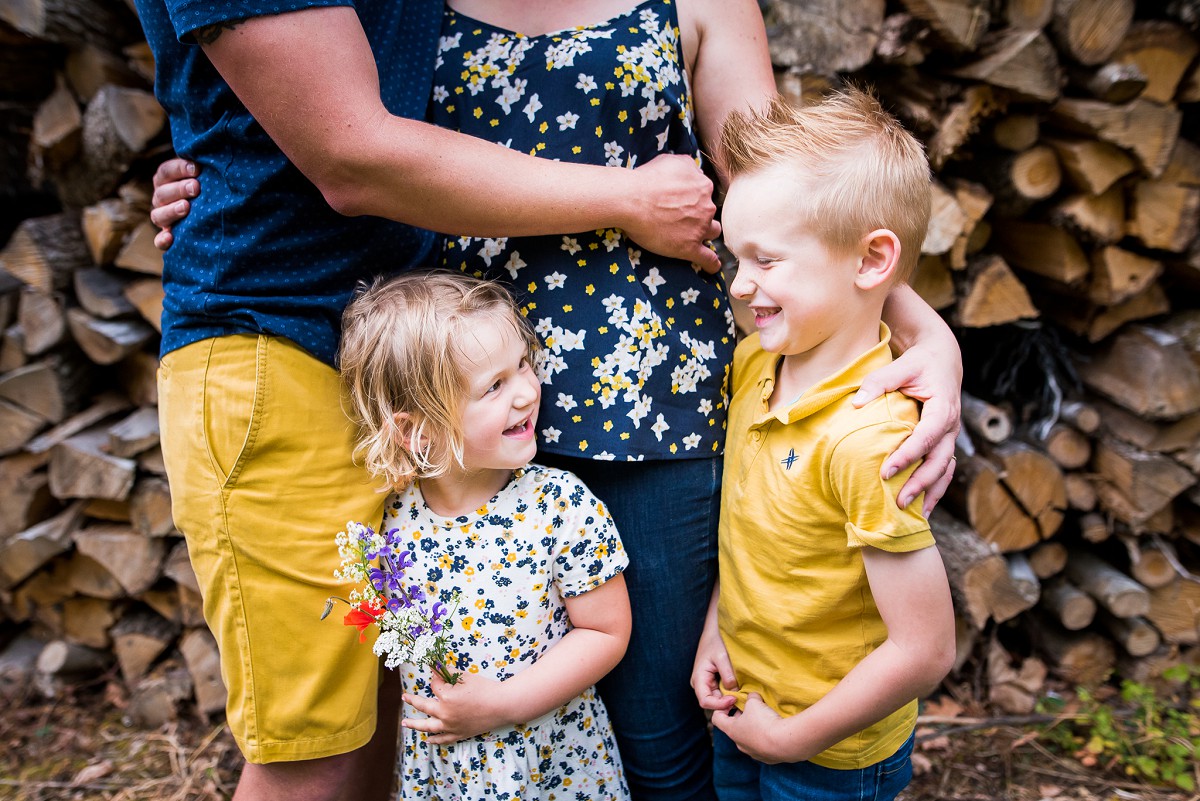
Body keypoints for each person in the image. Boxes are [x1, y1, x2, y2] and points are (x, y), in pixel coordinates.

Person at [145, 3, 962, 799]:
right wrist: (216, 174)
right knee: (427, 717)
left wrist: (925, 330)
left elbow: (791, 200)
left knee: (664, 737)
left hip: (652, 407)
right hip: (457, 402)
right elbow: (338, 136)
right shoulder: (417, 7)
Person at [690, 89, 957, 801]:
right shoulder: (756, 367)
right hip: (749, 703)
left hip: (831, 756)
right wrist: (719, 629)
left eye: (767, 260)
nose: (741, 283)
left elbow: (925, 648)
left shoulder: (872, 438)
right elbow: (749, 535)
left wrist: (791, 739)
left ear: (871, 261)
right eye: (735, 255)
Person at [338, 270, 632, 799]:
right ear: (415, 430)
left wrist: (502, 705)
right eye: (493, 386)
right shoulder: (389, 521)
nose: (526, 392)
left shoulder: (558, 505)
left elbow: (605, 632)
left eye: (523, 364)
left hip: (549, 766)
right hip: (446, 775)